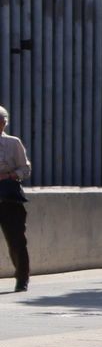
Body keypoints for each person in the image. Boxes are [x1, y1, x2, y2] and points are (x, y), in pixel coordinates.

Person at [0, 105, 29, 292]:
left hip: (9, 197)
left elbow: (25, 169)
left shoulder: (13, 143)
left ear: (3, 124)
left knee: (16, 240)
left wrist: (9, 175)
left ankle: (22, 277)